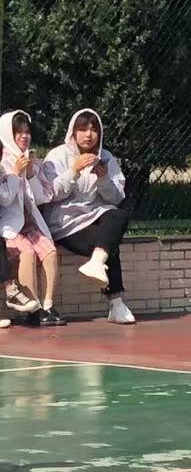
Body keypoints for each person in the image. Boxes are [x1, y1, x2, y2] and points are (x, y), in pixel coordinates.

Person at [43, 109, 134, 324]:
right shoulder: (57, 156)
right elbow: (51, 194)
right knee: (109, 242)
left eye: (94, 130)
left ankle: (96, 262)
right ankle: (116, 303)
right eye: (83, 129)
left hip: (93, 216)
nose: (88, 135)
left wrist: (103, 179)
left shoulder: (106, 157)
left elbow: (116, 198)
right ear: (73, 132)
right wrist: (74, 170)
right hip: (64, 224)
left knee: (117, 217)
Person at [0, 111, 51, 322]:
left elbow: (42, 198)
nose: (24, 136)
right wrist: (14, 173)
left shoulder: (31, 160)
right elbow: (5, 199)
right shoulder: (4, 164)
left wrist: (30, 174)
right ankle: (31, 308)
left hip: (30, 225)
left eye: (27, 132)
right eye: (18, 132)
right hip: (9, 227)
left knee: (49, 251)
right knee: (26, 252)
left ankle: (47, 307)